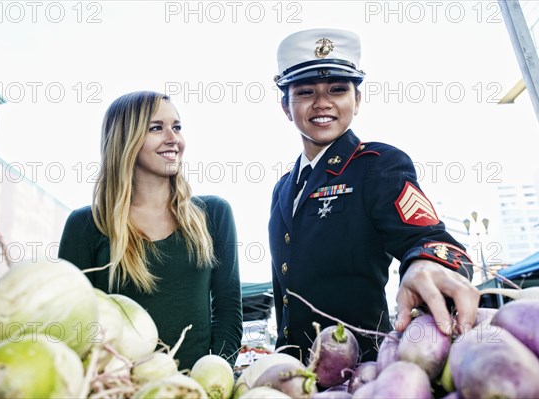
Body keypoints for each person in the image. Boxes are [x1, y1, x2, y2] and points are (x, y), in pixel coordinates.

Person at [268, 28, 480, 362]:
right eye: (306, 91)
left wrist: (424, 263)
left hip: (361, 368)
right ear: (285, 106)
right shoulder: (284, 187)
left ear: (358, 100)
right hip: (293, 369)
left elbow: (429, 238)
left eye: (338, 90)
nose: (322, 102)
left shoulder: (377, 166)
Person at [58, 91, 243, 370]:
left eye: (177, 127)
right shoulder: (86, 224)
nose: (174, 139)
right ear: (126, 139)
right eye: (156, 128)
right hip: (118, 388)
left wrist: (213, 375)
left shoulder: (214, 214)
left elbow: (228, 311)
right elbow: (73, 321)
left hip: (195, 389)